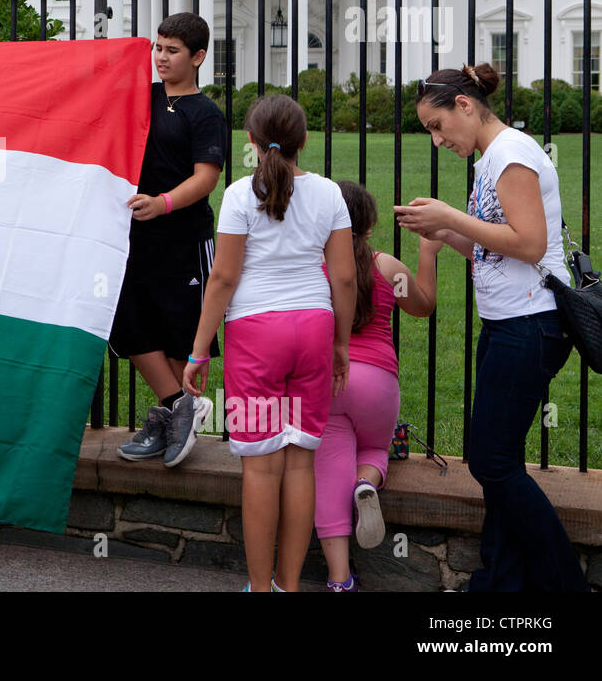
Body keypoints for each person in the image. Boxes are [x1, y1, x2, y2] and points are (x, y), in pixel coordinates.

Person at [396, 63, 589, 592]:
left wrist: (453, 217)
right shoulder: (491, 159)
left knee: (492, 460)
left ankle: (563, 585)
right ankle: (502, 581)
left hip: (532, 324)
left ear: (463, 105)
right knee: (500, 461)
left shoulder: (511, 154)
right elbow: (493, 249)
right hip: (507, 322)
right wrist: (443, 231)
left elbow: (529, 243)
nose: (436, 141)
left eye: (437, 126)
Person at [184, 94, 355, 592]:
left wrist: (198, 352)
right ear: (304, 141)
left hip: (256, 337)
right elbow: (344, 278)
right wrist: (341, 344)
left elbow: (222, 279)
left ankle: (262, 590)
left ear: (251, 142)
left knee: (260, 471)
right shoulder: (329, 194)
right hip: (314, 329)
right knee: (301, 462)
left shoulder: (239, 194)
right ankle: (290, 585)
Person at [110, 13, 226, 468]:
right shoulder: (141, 98)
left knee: (182, 333)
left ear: (197, 57)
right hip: (134, 237)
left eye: (172, 50)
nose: (161, 57)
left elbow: (206, 179)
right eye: (158, 48)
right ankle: (182, 406)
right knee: (126, 323)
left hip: (184, 238)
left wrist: (163, 203)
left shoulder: (206, 114)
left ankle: (174, 415)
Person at [315, 180, 438, 592]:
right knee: (373, 448)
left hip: (330, 380)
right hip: (378, 384)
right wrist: (427, 251)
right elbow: (422, 306)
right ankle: (366, 481)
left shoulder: (314, 265)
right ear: (369, 227)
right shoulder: (386, 267)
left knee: (329, 474)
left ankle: (339, 580)